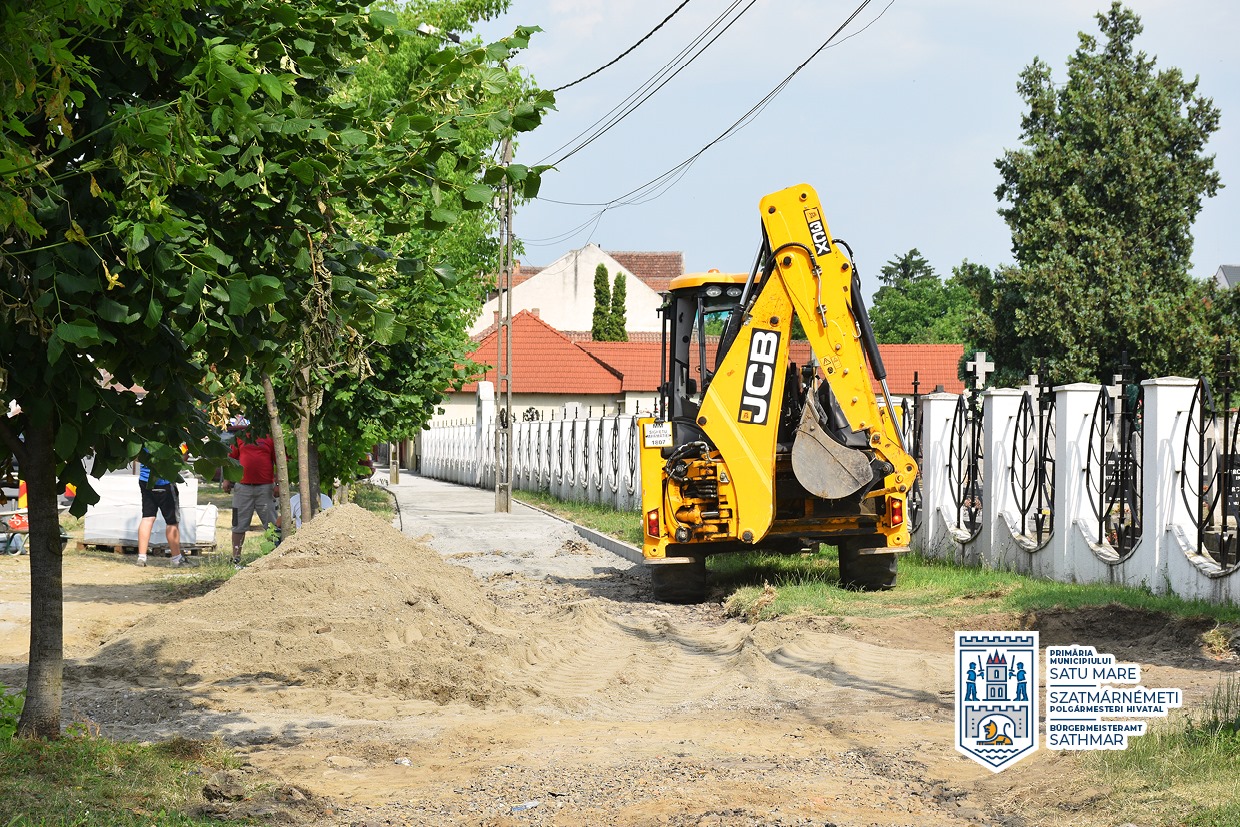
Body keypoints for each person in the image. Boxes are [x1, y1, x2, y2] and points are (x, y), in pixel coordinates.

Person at [225, 416, 277, 566]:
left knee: (272, 525)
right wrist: (227, 479)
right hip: (242, 488)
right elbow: (231, 459)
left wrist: (279, 484)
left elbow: (280, 461)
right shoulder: (240, 437)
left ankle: (274, 557)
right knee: (238, 524)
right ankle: (236, 558)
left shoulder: (270, 437)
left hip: (266, 488)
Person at [137, 454, 192, 568]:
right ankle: (176, 559)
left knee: (147, 517)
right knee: (172, 522)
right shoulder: (169, 438)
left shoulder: (143, 438)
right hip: (165, 482)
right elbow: (180, 460)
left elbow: (136, 457)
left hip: (145, 480)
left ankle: (141, 557)